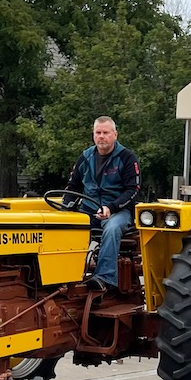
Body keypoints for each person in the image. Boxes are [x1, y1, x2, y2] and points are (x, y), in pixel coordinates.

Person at [64, 116, 140, 293]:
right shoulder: (85, 157)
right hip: (89, 209)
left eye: (106, 132)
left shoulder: (127, 158)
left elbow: (133, 190)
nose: (101, 136)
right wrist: (65, 207)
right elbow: (72, 187)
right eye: (98, 133)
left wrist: (110, 208)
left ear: (115, 135)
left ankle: (104, 278)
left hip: (118, 210)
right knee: (66, 225)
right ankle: (67, 275)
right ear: (93, 135)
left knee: (112, 228)